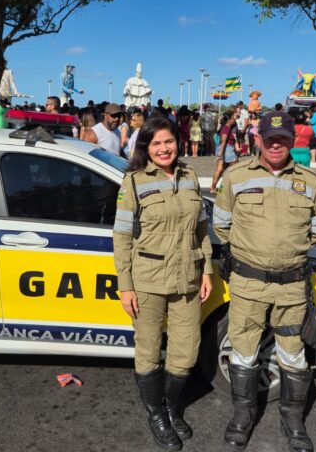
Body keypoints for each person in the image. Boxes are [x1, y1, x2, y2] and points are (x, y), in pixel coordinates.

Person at [213, 110, 316, 452]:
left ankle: (292, 418)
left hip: (291, 287)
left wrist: (284, 254)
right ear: (258, 139)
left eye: (283, 139)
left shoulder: (309, 181)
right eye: (270, 138)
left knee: (293, 355)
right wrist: (256, 252)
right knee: (244, 352)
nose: (276, 144)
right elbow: (222, 226)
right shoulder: (235, 176)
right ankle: (243, 415)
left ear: (293, 141)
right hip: (248, 285)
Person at [113, 116, 212, 451]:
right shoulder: (134, 181)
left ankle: (171, 406)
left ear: (177, 142)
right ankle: (157, 414)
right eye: (155, 143)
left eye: (168, 141)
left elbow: (201, 229)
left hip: (187, 278)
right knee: (149, 351)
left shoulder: (190, 177)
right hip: (148, 280)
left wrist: (207, 270)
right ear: (146, 148)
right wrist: (125, 285)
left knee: (185, 354)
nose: (163, 148)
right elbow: (122, 236)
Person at [210, 111, 239, 194]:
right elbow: (223, 141)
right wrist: (221, 155)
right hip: (227, 150)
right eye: (233, 118)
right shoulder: (227, 128)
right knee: (238, 168)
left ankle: (213, 187)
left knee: (220, 169)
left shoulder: (225, 127)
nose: (234, 120)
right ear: (229, 119)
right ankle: (236, 187)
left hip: (223, 149)